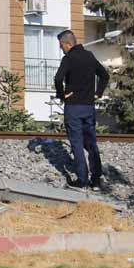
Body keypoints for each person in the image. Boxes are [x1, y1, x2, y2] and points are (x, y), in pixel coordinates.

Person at [54, 30, 109, 188]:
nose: (61, 49)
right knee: (91, 143)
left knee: (77, 143)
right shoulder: (89, 56)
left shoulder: (69, 58)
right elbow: (104, 75)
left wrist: (62, 95)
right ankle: (96, 180)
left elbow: (58, 78)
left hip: (73, 108)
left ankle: (82, 180)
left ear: (68, 44)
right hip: (88, 107)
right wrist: (98, 93)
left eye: (61, 45)